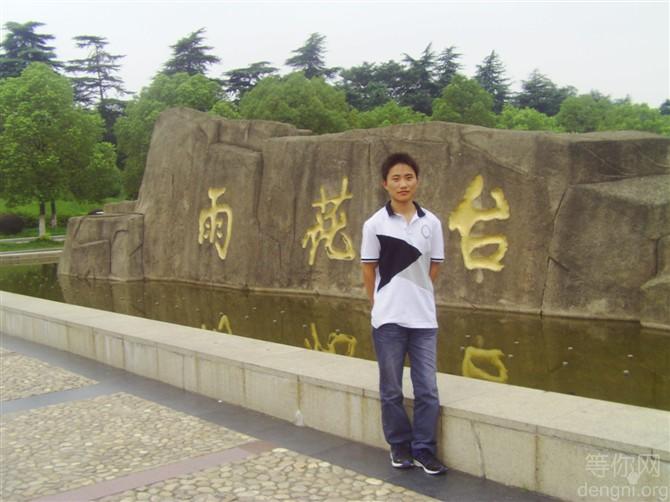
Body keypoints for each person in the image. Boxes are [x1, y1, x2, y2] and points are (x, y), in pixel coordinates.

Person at [360, 152, 448, 475]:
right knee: (391, 389)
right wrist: (379, 304)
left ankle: (424, 449)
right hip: (388, 320)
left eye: (408, 177)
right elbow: (368, 270)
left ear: (417, 181)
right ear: (385, 184)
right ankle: (399, 445)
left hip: (424, 319)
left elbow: (434, 266)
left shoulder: (431, 223)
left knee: (427, 389)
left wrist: (417, 293)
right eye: (395, 178)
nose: (403, 184)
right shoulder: (375, 224)